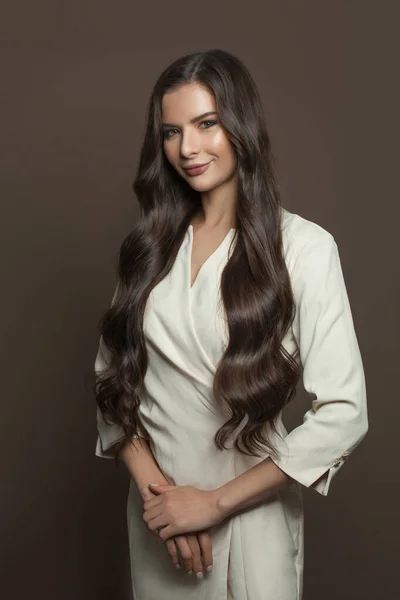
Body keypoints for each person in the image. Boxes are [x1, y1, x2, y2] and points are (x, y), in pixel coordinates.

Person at [93, 49, 368, 600]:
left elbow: (344, 413)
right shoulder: (148, 250)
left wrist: (211, 504)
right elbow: (111, 383)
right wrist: (164, 504)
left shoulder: (305, 249)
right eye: (171, 131)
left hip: (248, 520)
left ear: (241, 124)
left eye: (207, 124)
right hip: (159, 524)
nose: (187, 148)